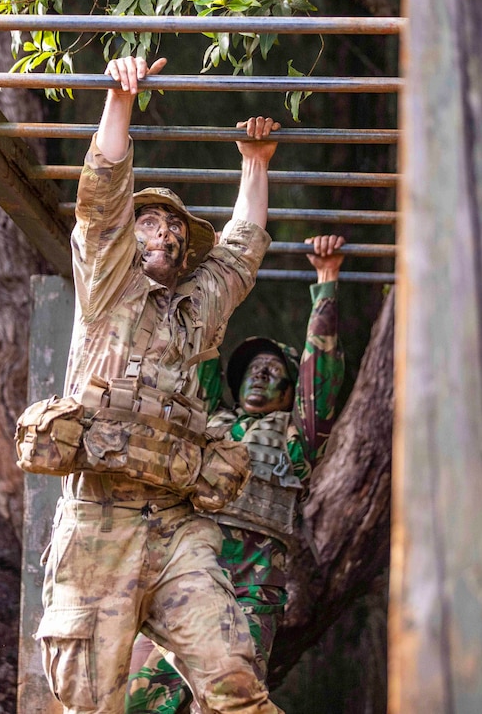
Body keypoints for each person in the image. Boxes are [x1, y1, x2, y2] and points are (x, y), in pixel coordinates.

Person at [30, 54, 283, 713]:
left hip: (175, 524)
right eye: (149, 221)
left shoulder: (198, 309)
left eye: (174, 225)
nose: (165, 231)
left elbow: (242, 248)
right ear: (130, 237)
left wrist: (254, 162)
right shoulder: (108, 291)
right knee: (86, 699)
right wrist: (120, 99)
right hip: (98, 521)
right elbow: (101, 198)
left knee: (235, 680)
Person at [126, 235, 347, 713]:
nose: (259, 376)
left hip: (250, 588)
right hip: (185, 574)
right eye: (251, 369)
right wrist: (201, 271)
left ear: (291, 394)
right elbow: (199, 344)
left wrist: (326, 281)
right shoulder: (208, 420)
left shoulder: (295, 435)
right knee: (138, 699)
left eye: (273, 371)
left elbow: (321, 372)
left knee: (230, 702)